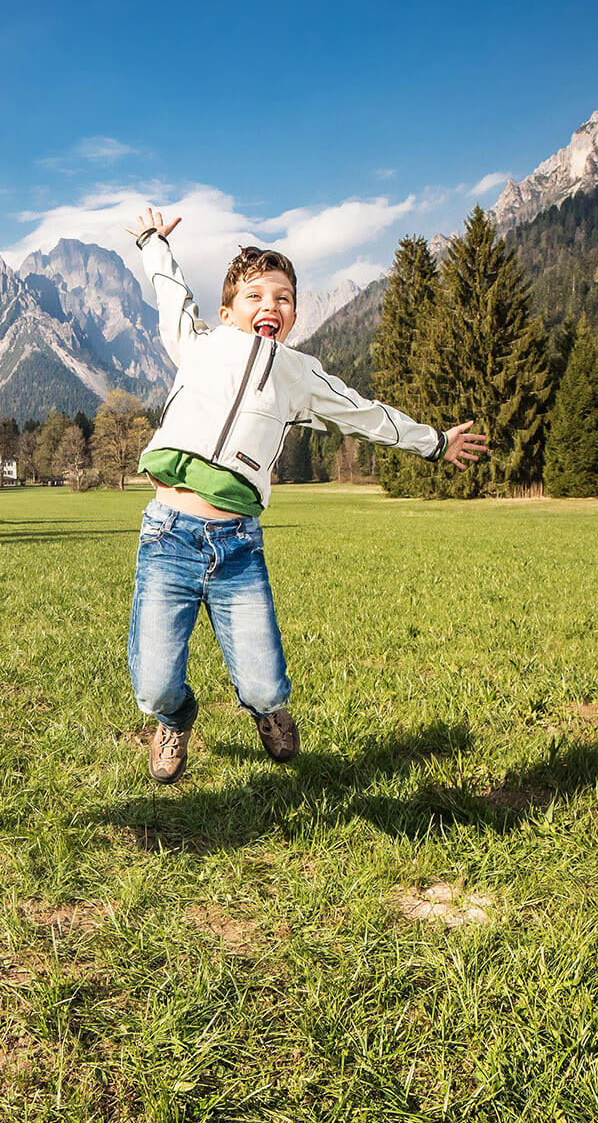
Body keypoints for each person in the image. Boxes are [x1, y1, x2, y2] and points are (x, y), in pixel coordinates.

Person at [124, 208, 488, 782]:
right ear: (227, 312)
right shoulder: (198, 344)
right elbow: (172, 295)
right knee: (153, 683)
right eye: (255, 295)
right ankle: (175, 718)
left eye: (285, 298)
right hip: (167, 534)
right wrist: (152, 243)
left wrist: (435, 442)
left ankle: (267, 712)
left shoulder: (300, 374)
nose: (271, 304)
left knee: (266, 684)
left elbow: (366, 414)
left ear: (294, 315)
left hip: (235, 544)